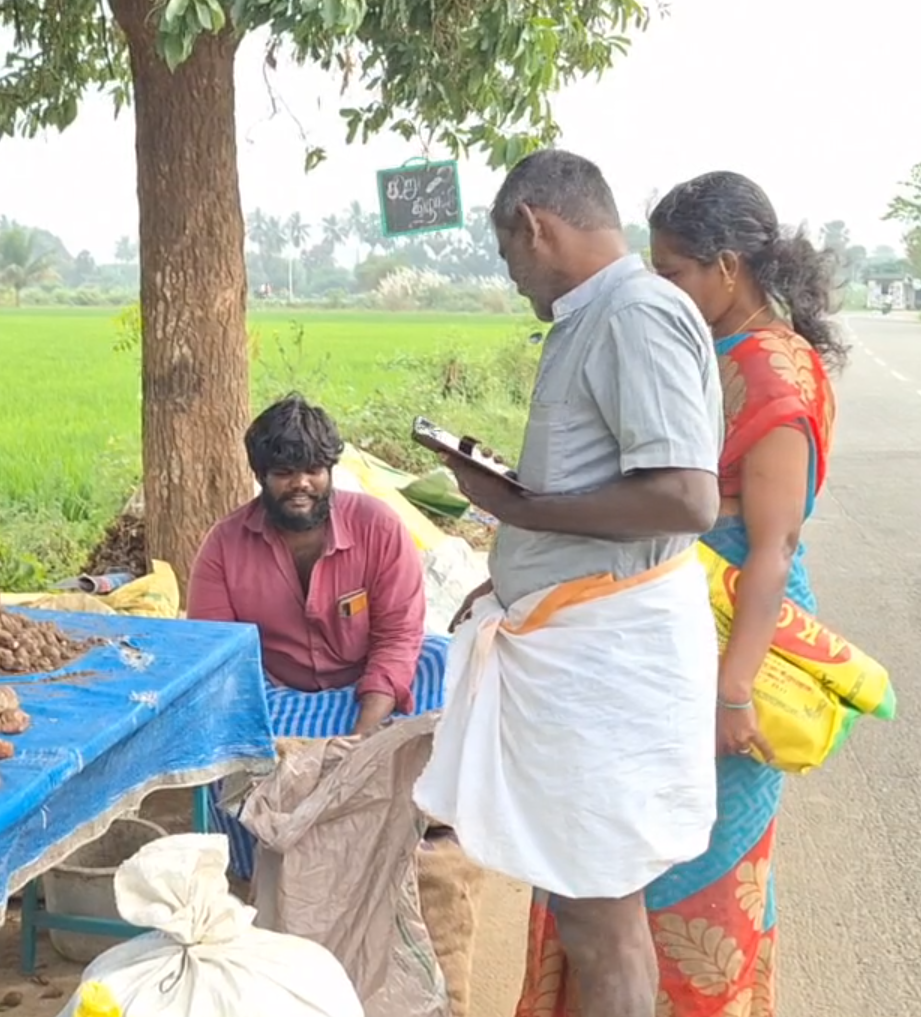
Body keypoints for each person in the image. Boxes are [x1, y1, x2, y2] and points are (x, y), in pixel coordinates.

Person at [511, 171, 845, 1017]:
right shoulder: (710, 349)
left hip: (737, 639)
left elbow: (770, 549)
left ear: (728, 268)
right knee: (619, 861)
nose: (661, 288)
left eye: (674, 272)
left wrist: (733, 693)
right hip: (669, 630)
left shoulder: (774, 374)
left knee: (695, 875)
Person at [411, 150, 723, 1017]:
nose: (515, 281)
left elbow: (687, 496)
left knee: (602, 916)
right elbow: (603, 488)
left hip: (609, 657)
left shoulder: (634, 312)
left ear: (535, 226)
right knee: (590, 910)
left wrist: (524, 509)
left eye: (511, 260)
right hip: (579, 641)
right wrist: (511, 562)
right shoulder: (596, 317)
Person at [187, 394, 448, 880]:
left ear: (331, 470)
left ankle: (412, 830)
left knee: (445, 663)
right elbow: (217, 663)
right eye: (284, 473)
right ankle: (257, 872)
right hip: (278, 702)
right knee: (214, 733)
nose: (301, 484)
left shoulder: (380, 526)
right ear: (261, 476)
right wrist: (294, 748)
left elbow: (397, 637)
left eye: (313, 469)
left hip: (367, 694)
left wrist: (360, 742)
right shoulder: (223, 546)